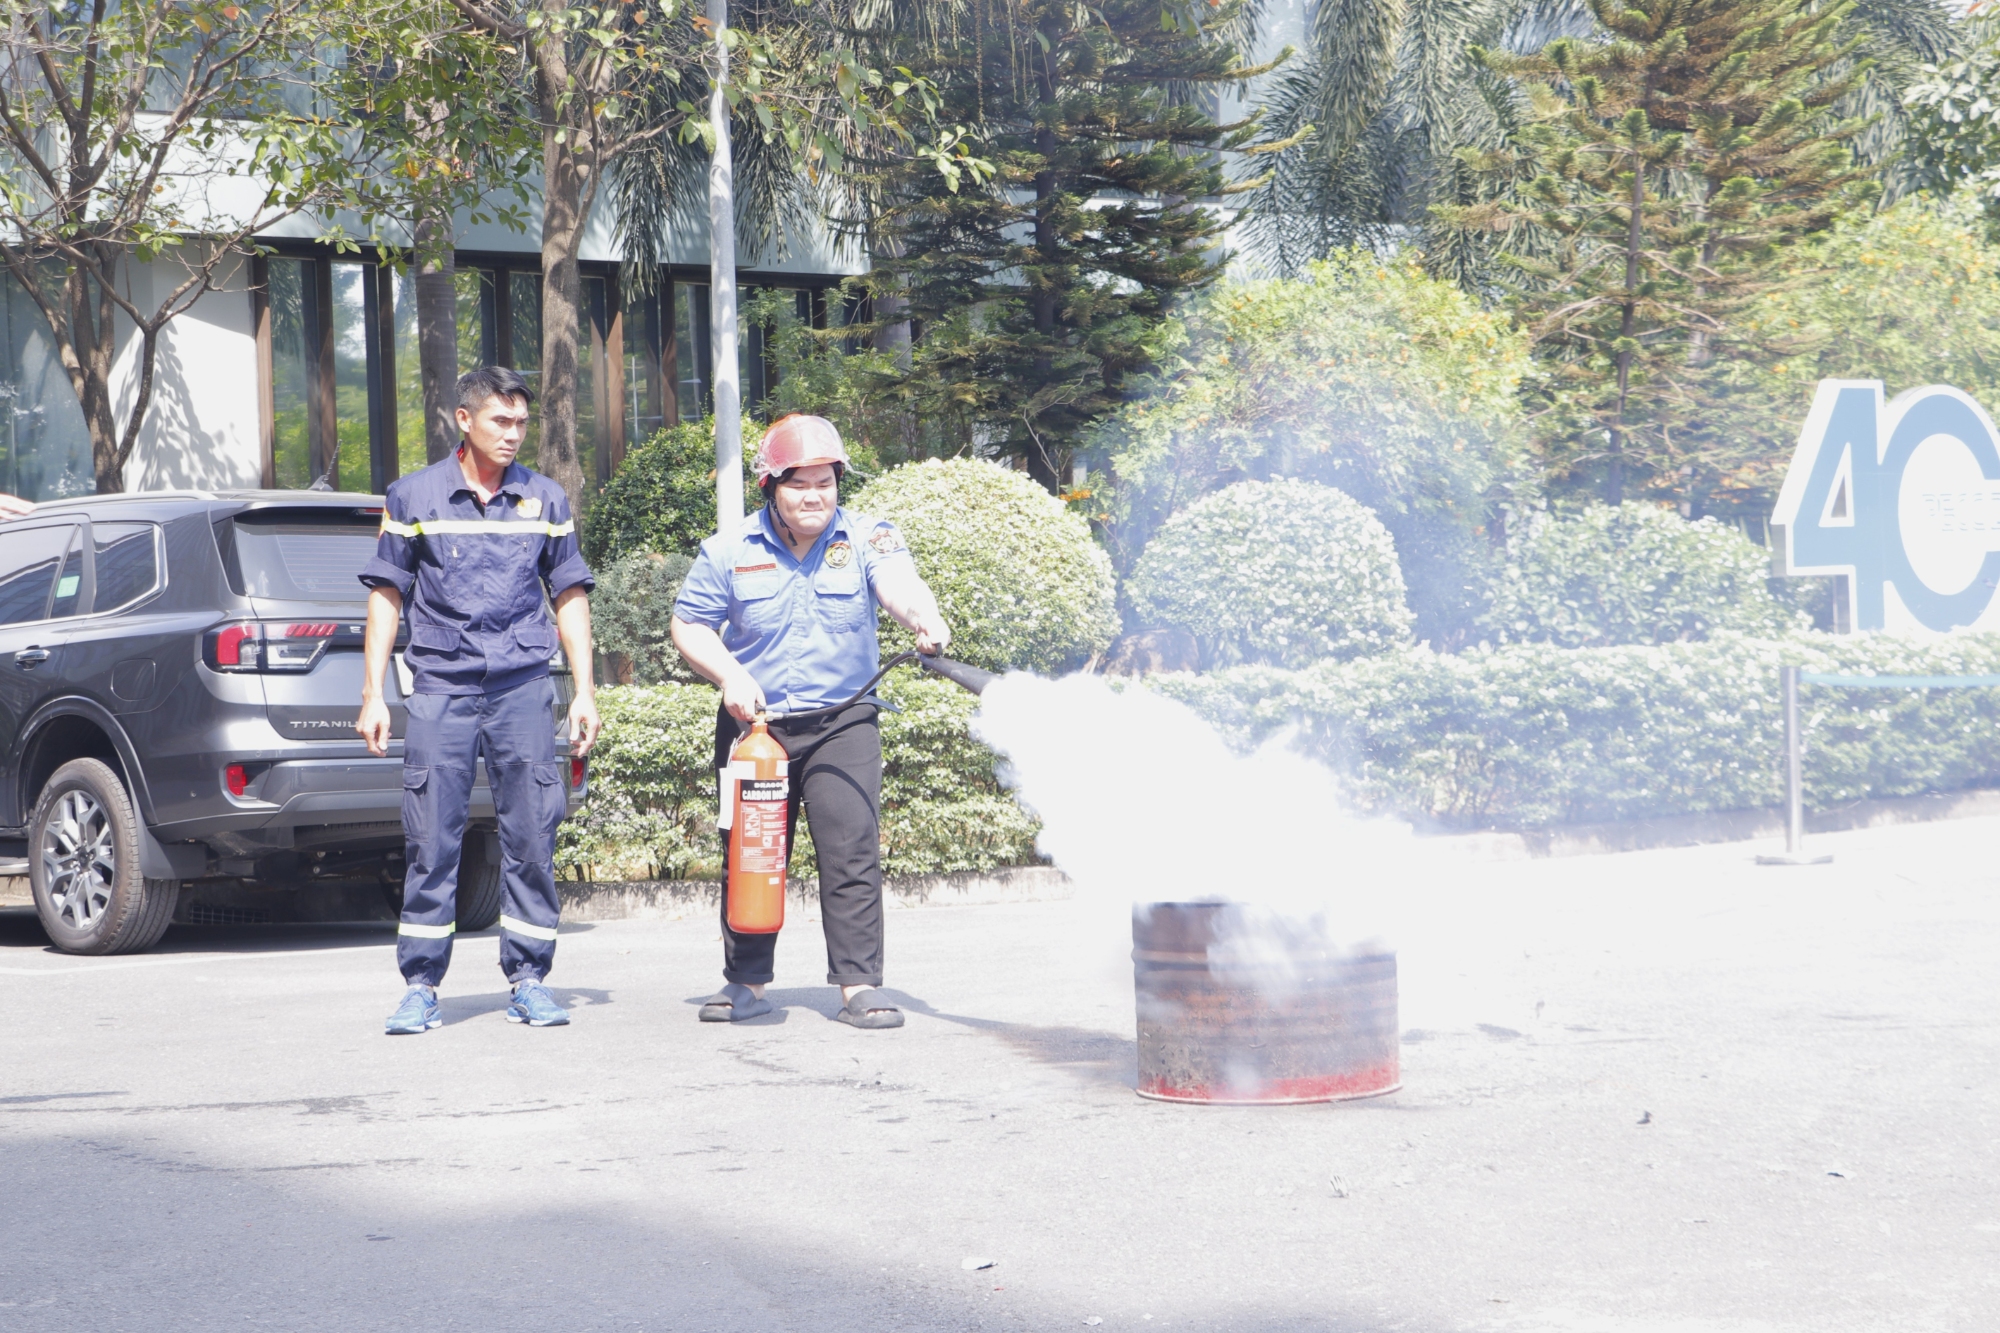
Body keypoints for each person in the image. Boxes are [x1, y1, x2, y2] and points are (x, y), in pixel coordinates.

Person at [670, 414, 950, 1029]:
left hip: (844, 721)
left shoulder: (869, 537)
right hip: (755, 726)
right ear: (771, 486)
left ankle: (859, 987)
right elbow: (688, 624)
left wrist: (923, 618)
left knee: (851, 850)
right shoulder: (729, 550)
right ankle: (745, 982)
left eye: (826, 483)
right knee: (751, 853)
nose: (815, 496)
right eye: (800, 485)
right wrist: (730, 676)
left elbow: (900, 585)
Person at [356, 366, 601, 1035]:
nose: (514, 433)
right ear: (464, 420)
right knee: (431, 837)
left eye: (522, 422)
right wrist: (373, 693)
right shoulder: (413, 496)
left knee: (532, 833)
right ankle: (421, 987)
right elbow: (386, 595)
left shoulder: (545, 499)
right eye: (500, 420)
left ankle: (529, 978)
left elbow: (569, 593)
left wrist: (584, 689)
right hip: (442, 685)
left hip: (522, 685)